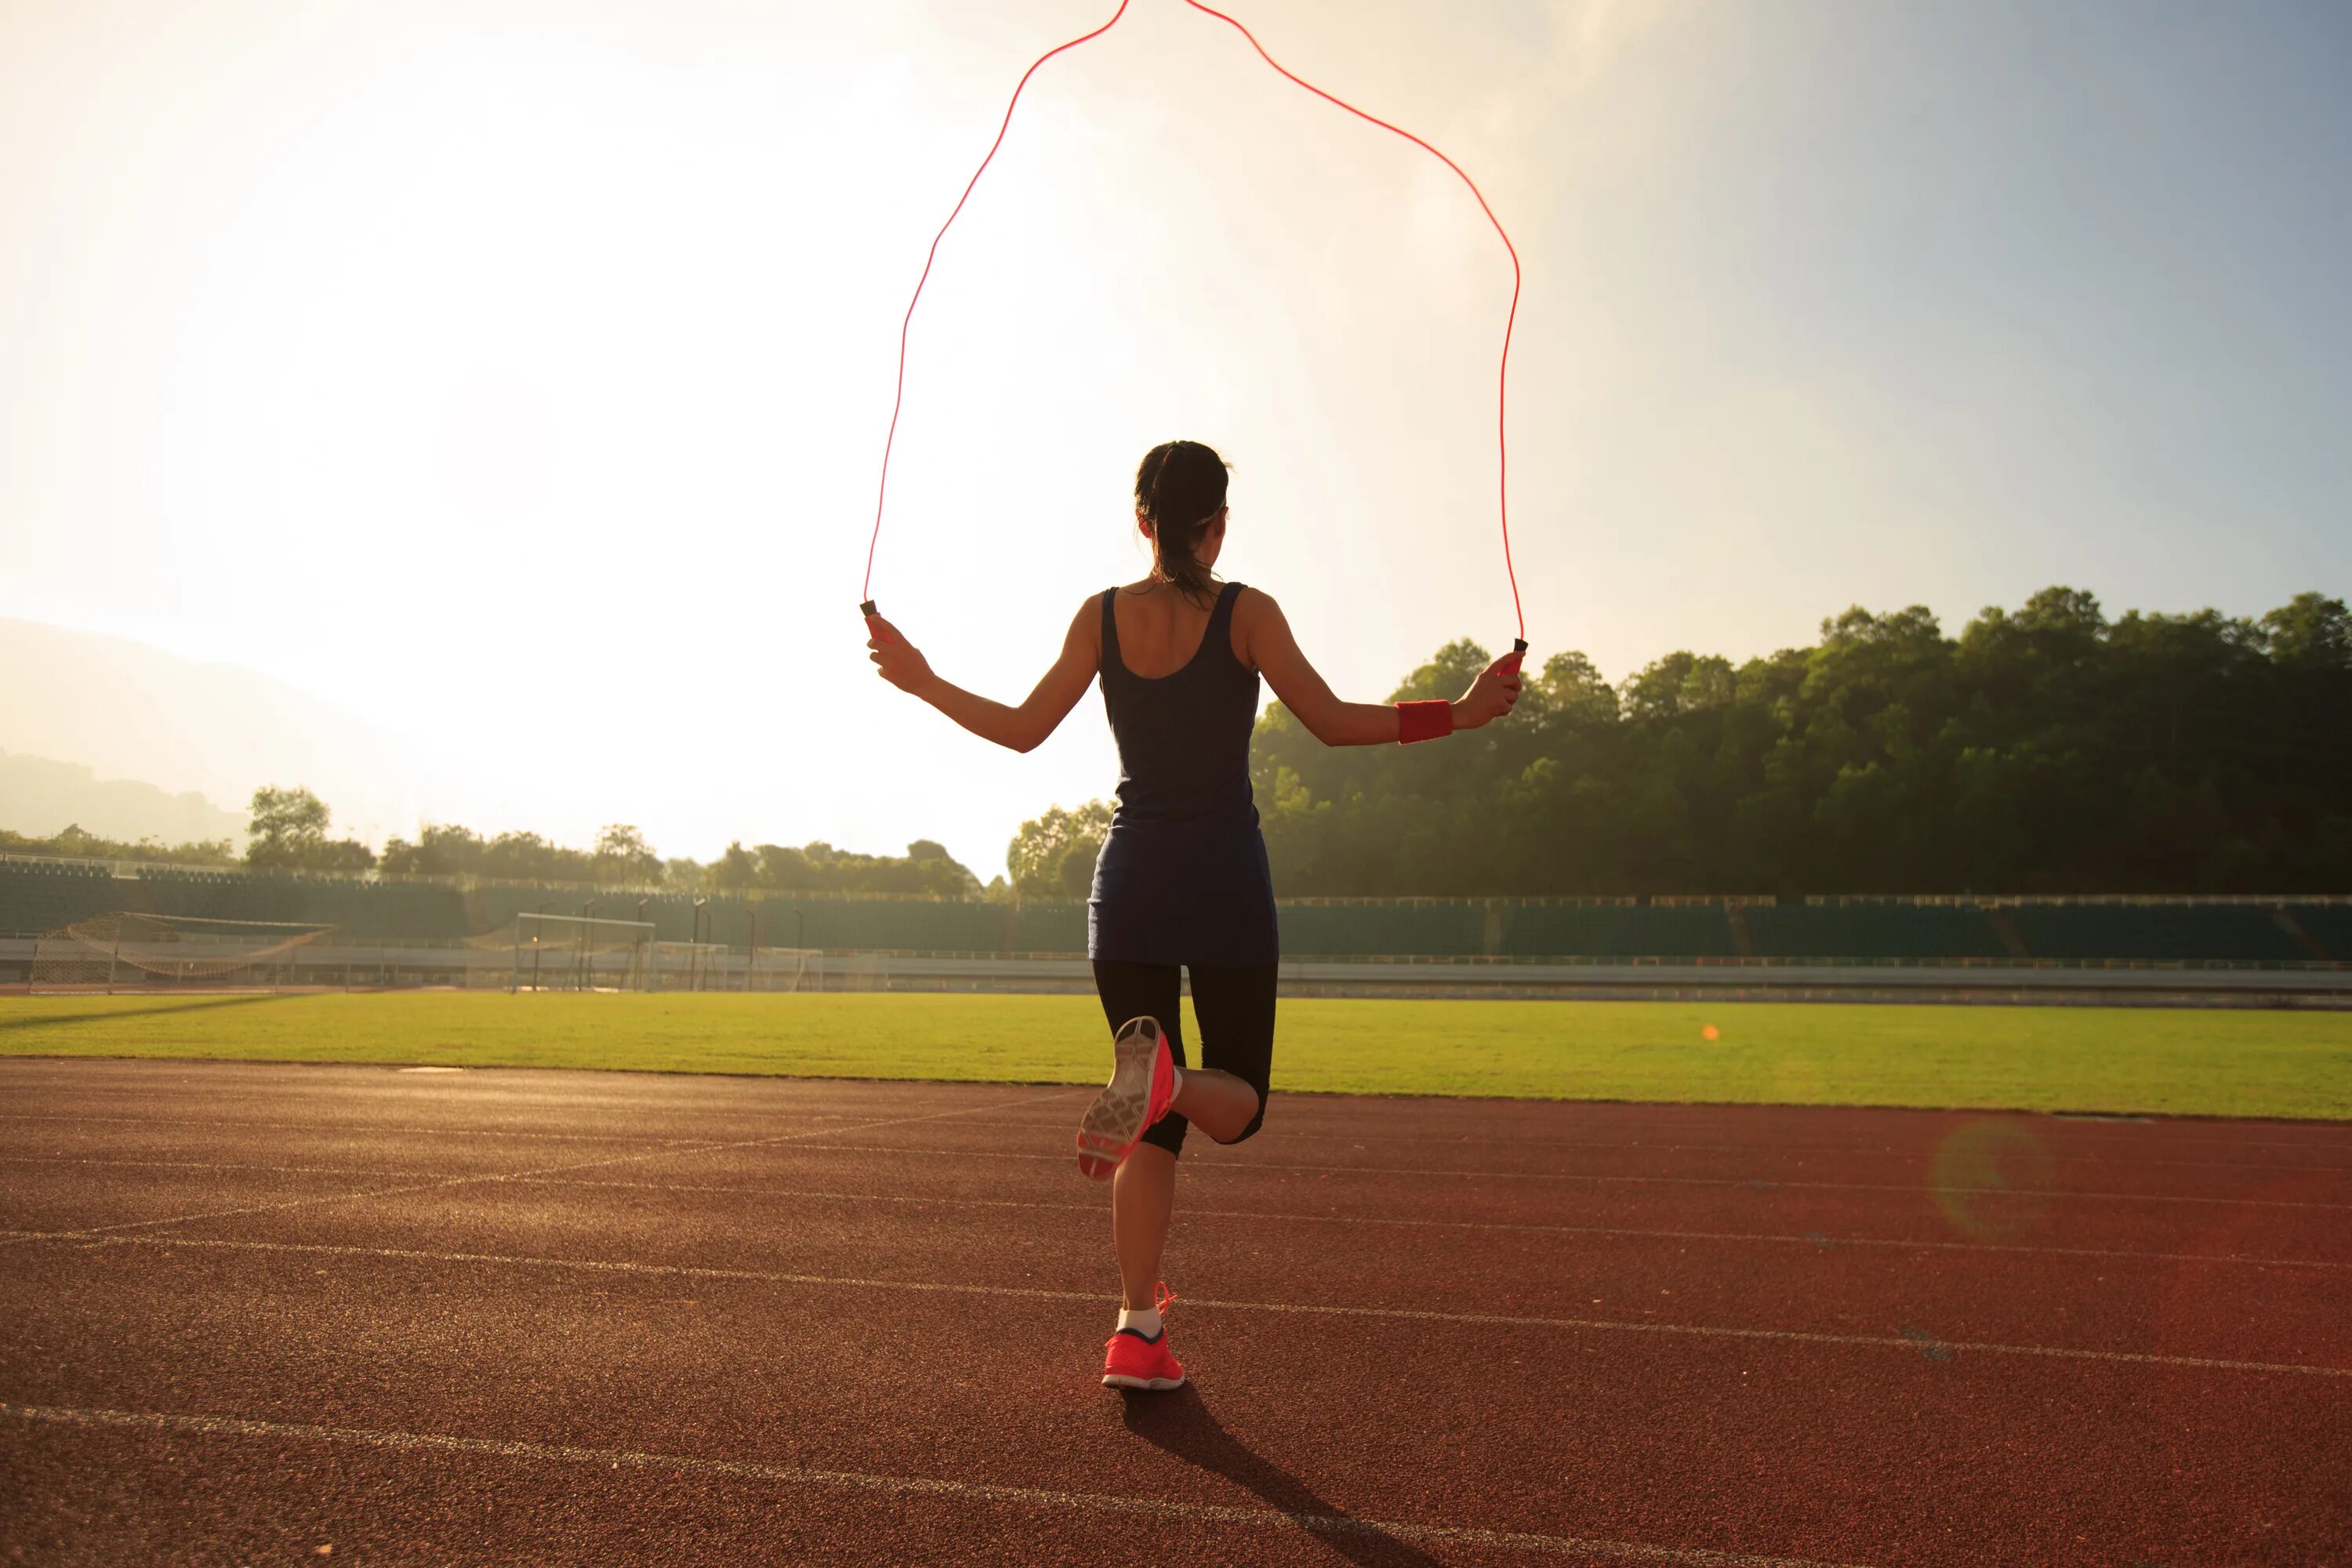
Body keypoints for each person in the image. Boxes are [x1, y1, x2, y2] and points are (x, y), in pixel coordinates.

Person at [864, 438, 1523, 1392]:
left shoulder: (1098, 616)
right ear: (1217, 526)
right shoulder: (1247, 612)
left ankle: (1136, 1328)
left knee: (1149, 1130)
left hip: (1126, 888)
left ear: (1143, 522)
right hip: (1223, 884)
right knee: (1239, 1105)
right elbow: (1334, 721)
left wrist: (922, 678)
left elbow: (1020, 730)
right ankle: (1167, 1088)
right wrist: (1457, 715)